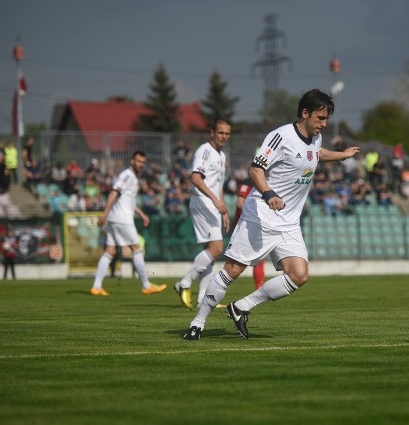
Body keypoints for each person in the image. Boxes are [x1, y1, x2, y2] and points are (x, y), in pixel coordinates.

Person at [183, 89, 360, 340]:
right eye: (320, 118)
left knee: (299, 274)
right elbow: (256, 170)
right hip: (262, 215)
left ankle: (241, 307)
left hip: (289, 222)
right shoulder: (281, 136)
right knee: (233, 269)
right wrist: (269, 194)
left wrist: (342, 155)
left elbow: (316, 154)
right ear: (305, 113)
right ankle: (197, 323)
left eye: (327, 119)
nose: (324, 124)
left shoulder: (315, 138)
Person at [90, 150, 167, 296]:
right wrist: (104, 213)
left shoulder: (133, 178)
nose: (141, 164)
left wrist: (142, 214)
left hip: (116, 218)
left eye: (143, 162)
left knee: (110, 251)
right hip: (122, 219)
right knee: (136, 248)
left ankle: (96, 286)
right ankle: (146, 285)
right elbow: (114, 192)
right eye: (138, 161)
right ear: (132, 161)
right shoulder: (127, 175)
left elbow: (128, 202)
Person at [174, 119, 231, 309]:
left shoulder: (222, 155)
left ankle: (201, 301)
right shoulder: (204, 151)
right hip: (203, 202)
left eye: (227, 133)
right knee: (216, 248)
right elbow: (195, 177)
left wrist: (223, 209)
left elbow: (219, 184)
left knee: (212, 251)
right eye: (221, 132)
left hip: (213, 204)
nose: (224, 136)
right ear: (212, 133)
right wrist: (215, 200)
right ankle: (184, 282)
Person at [234, 178, 265, 290]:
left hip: (254, 226)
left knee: (259, 259)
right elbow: (239, 203)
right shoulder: (248, 182)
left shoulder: (264, 182)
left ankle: (259, 288)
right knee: (235, 263)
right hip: (244, 226)